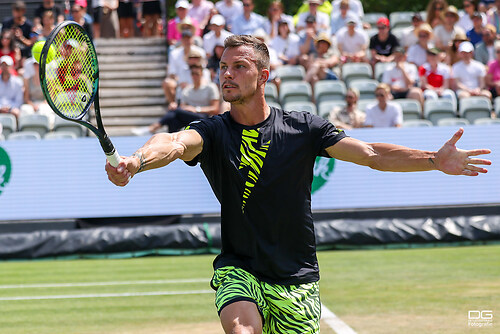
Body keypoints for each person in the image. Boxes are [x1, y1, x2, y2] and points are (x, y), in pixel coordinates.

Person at [106, 35, 491, 334]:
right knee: (242, 327)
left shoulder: (303, 128)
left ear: (263, 76)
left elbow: (372, 153)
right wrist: (136, 161)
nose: (226, 74)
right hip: (240, 268)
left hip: (297, 277)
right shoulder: (212, 131)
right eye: (223, 66)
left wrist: (434, 161)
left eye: (239, 67)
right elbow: (173, 143)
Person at [149, 61, 220, 133]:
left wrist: (196, 109)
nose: (194, 76)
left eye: (197, 74)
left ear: (201, 74)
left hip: (204, 117)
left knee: (175, 111)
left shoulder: (211, 87)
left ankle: (155, 126)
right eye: (193, 74)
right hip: (189, 116)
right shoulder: (187, 90)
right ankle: (172, 138)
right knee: (173, 119)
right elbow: (183, 107)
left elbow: (215, 109)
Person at [0, 56, 23, 120]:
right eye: (3, 65)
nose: (4, 68)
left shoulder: (18, 82)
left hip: (12, 108)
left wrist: (9, 108)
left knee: (16, 112)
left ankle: (17, 129)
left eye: (6, 65)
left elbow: (19, 101)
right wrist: (1, 107)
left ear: (11, 67)